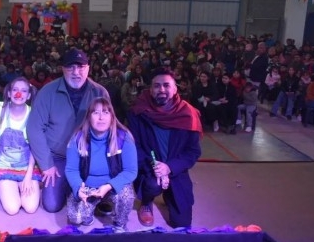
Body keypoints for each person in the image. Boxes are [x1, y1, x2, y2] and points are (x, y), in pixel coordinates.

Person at [27, 48, 110, 213]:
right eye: (70, 67)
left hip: (88, 157)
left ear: (88, 68)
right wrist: (46, 165)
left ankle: (77, 187)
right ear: (62, 69)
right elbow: (34, 129)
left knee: (96, 198)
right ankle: (69, 186)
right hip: (57, 158)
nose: (76, 72)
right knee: (51, 205)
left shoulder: (100, 92)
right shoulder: (47, 92)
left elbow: (108, 128)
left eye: (81, 67)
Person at [127, 67, 203, 228]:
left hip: (175, 170)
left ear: (175, 89)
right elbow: (133, 146)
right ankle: (146, 202)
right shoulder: (138, 111)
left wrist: (169, 168)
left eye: (166, 85)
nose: (161, 89)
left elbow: (193, 151)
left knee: (182, 224)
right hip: (149, 167)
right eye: (157, 85)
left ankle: (170, 195)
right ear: (150, 89)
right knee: (152, 185)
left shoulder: (189, 114)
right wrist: (154, 166)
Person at [65, 97, 138, 232]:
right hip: (88, 187)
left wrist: (109, 186)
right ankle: (92, 208)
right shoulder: (77, 138)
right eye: (95, 112)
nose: (101, 117)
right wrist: (78, 188)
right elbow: (71, 170)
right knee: (76, 218)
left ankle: (120, 224)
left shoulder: (124, 137)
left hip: (111, 186)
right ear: (89, 117)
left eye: (105, 112)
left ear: (112, 116)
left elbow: (131, 171)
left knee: (126, 195)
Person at [0, 76, 42, 215]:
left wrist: (28, 176)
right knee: (12, 208)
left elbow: (35, 146)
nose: (19, 94)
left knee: (30, 207)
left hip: (26, 166)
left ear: (28, 95)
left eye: (24, 91)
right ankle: (2, 185)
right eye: (15, 90)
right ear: (9, 93)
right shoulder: (0, 108)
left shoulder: (33, 114)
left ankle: (15, 186)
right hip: (4, 165)